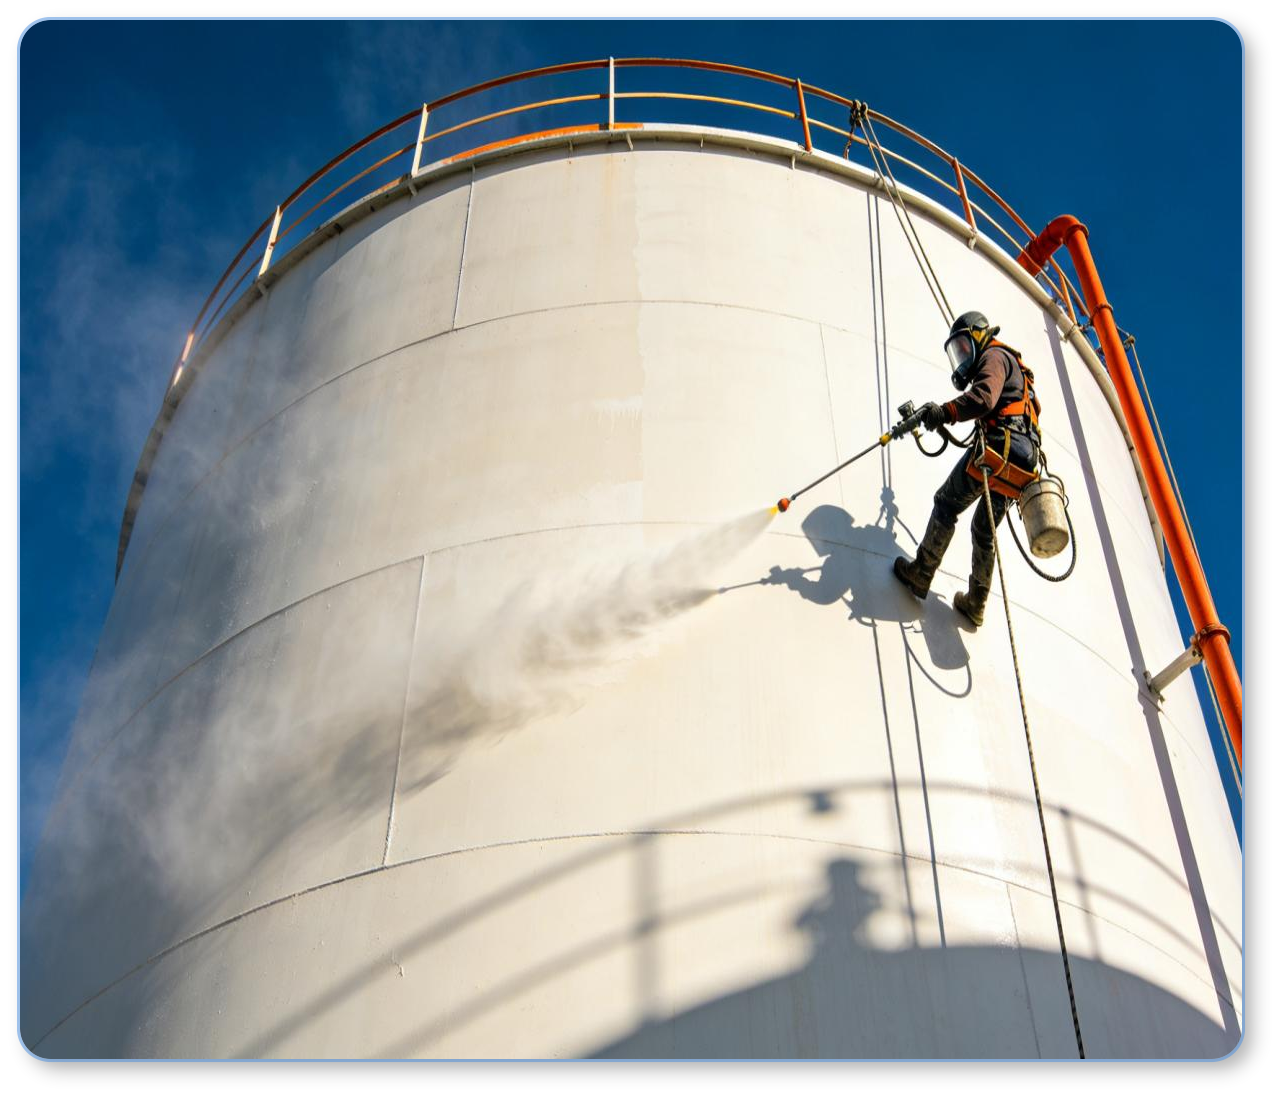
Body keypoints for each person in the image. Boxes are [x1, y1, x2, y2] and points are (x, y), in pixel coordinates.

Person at [891, 311, 1042, 626]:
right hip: (1022, 465)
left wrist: (946, 412)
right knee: (984, 530)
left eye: (963, 347)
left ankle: (921, 572)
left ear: (979, 336)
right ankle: (976, 603)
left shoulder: (994, 356)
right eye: (956, 352)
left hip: (998, 449)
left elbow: (983, 398)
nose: (961, 357)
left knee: (946, 503)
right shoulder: (1013, 365)